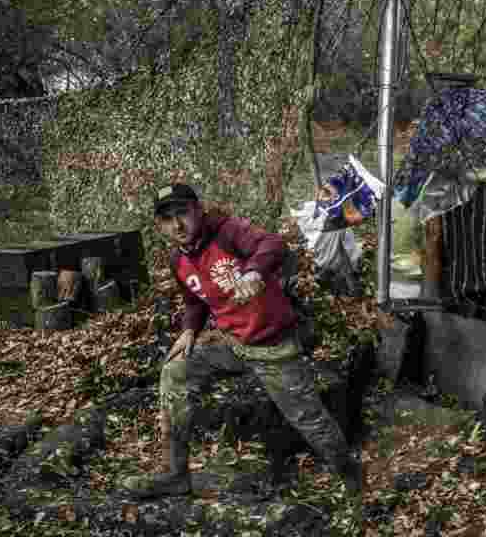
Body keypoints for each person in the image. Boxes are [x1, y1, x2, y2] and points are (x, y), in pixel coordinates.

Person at [122, 183, 363, 499]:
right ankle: (176, 474)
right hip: (232, 344)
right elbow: (195, 300)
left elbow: (273, 244)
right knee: (175, 371)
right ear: (159, 225)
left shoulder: (227, 232)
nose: (177, 225)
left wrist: (253, 274)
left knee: (308, 418)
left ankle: (352, 478)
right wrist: (190, 330)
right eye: (167, 219)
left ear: (198, 209)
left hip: (273, 345)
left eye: (182, 213)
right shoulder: (177, 260)